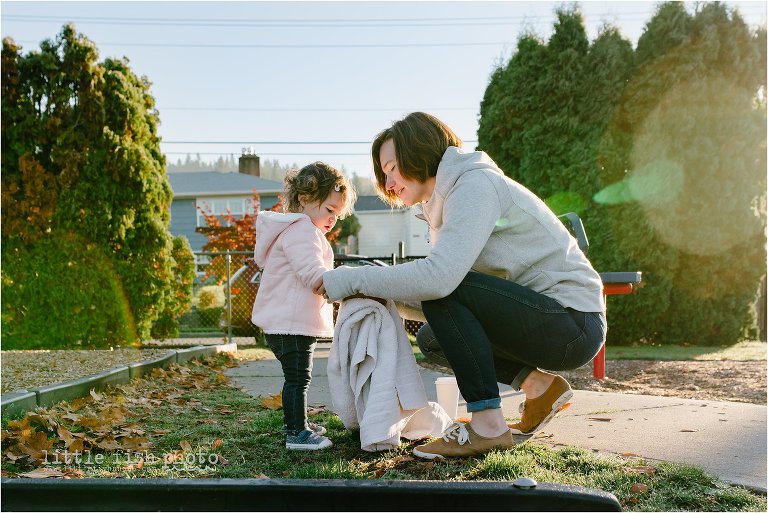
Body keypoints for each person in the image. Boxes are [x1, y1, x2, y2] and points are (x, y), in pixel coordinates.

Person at [318, 112, 606, 459]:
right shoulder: (444, 203)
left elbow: (439, 282)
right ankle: (539, 387)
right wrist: (377, 292)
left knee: (444, 288)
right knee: (432, 339)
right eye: (384, 173)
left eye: (392, 167)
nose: (388, 182)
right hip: (547, 318)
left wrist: (355, 278)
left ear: (419, 151)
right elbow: (441, 296)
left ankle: (487, 426)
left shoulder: (474, 185)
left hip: (573, 320)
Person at [251, 161, 356, 450]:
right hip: (290, 324)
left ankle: (297, 422)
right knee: (298, 378)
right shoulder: (302, 232)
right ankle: (296, 433)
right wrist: (345, 284)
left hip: (290, 322)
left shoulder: (302, 231)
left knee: (297, 377)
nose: (333, 219)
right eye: (329, 210)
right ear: (306, 199)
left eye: (338, 214)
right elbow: (311, 274)